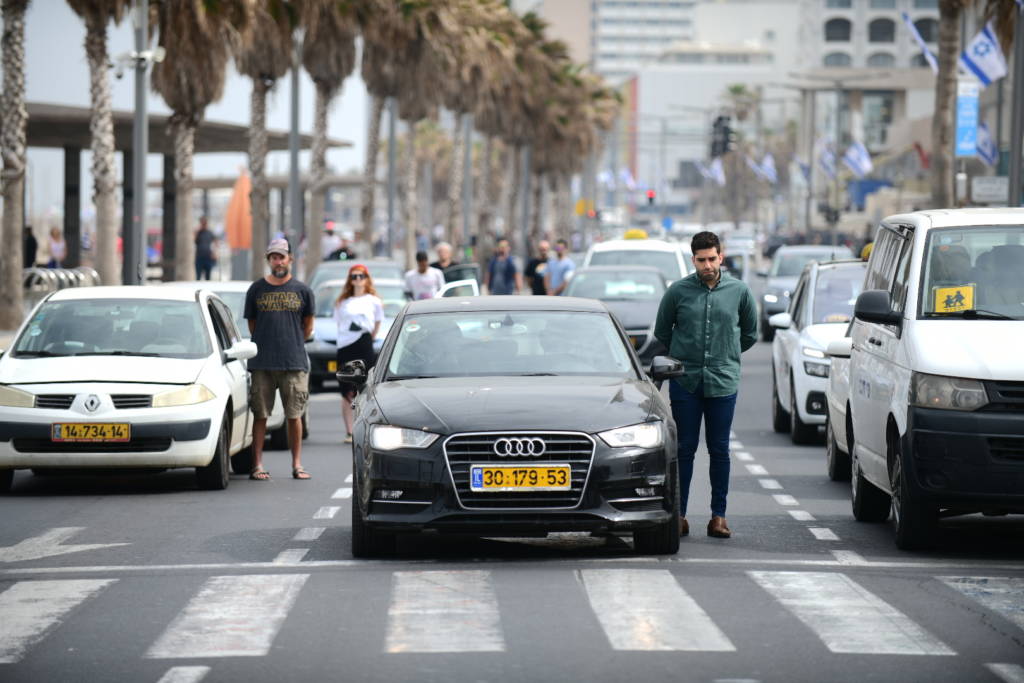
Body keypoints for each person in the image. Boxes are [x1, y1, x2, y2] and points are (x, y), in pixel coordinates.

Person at [654, 231, 757, 539]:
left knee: (720, 449)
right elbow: (663, 331)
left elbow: (749, 334)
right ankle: (680, 514)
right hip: (685, 381)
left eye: (712, 259)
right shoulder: (678, 292)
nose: (708, 265)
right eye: (702, 260)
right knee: (684, 449)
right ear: (693, 260)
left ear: (721, 257)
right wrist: (685, 356)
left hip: (723, 382)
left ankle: (718, 516)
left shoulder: (739, 291)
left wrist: (727, 356)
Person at [243, 238, 315, 481]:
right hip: (262, 363)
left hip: (293, 362)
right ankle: (257, 465)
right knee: (260, 414)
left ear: (290, 259)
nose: (278, 261)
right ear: (269, 260)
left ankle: (297, 464)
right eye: (274, 257)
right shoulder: (256, 289)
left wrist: (291, 342)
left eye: (282, 256)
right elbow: (252, 325)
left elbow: (307, 326)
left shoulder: (303, 290)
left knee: (294, 415)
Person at [333, 263, 383, 443]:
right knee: (346, 388)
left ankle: (366, 429)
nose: (357, 279)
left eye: (361, 276)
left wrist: (369, 337)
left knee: (364, 385)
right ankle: (349, 431)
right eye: (354, 276)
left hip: (364, 343)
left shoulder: (374, 300)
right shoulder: (342, 302)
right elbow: (339, 323)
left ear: (367, 278)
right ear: (350, 280)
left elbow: (377, 322)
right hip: (346, 345)